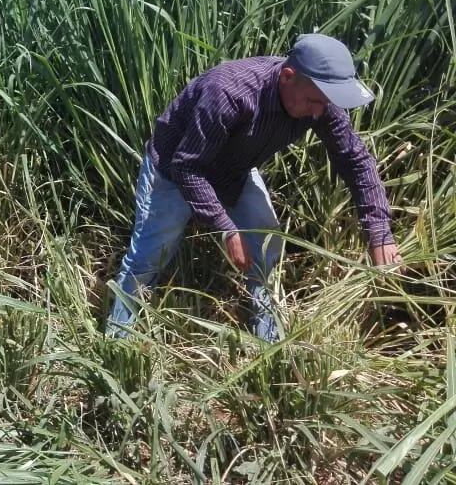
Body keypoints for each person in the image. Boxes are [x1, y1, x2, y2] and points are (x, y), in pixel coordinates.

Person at [107, 33, 402, 342]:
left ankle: (269, 339)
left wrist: (379, 229)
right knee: (151, 253)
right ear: (288, 77)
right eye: (315, 101)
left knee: (266, 244)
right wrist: (226, 228)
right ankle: (118, 341)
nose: (319, 112)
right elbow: (188, 166)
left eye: (325, 103)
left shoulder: (319, 100)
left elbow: (354, 159)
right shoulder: (229, 92)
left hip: (235, 169)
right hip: (172, 169)